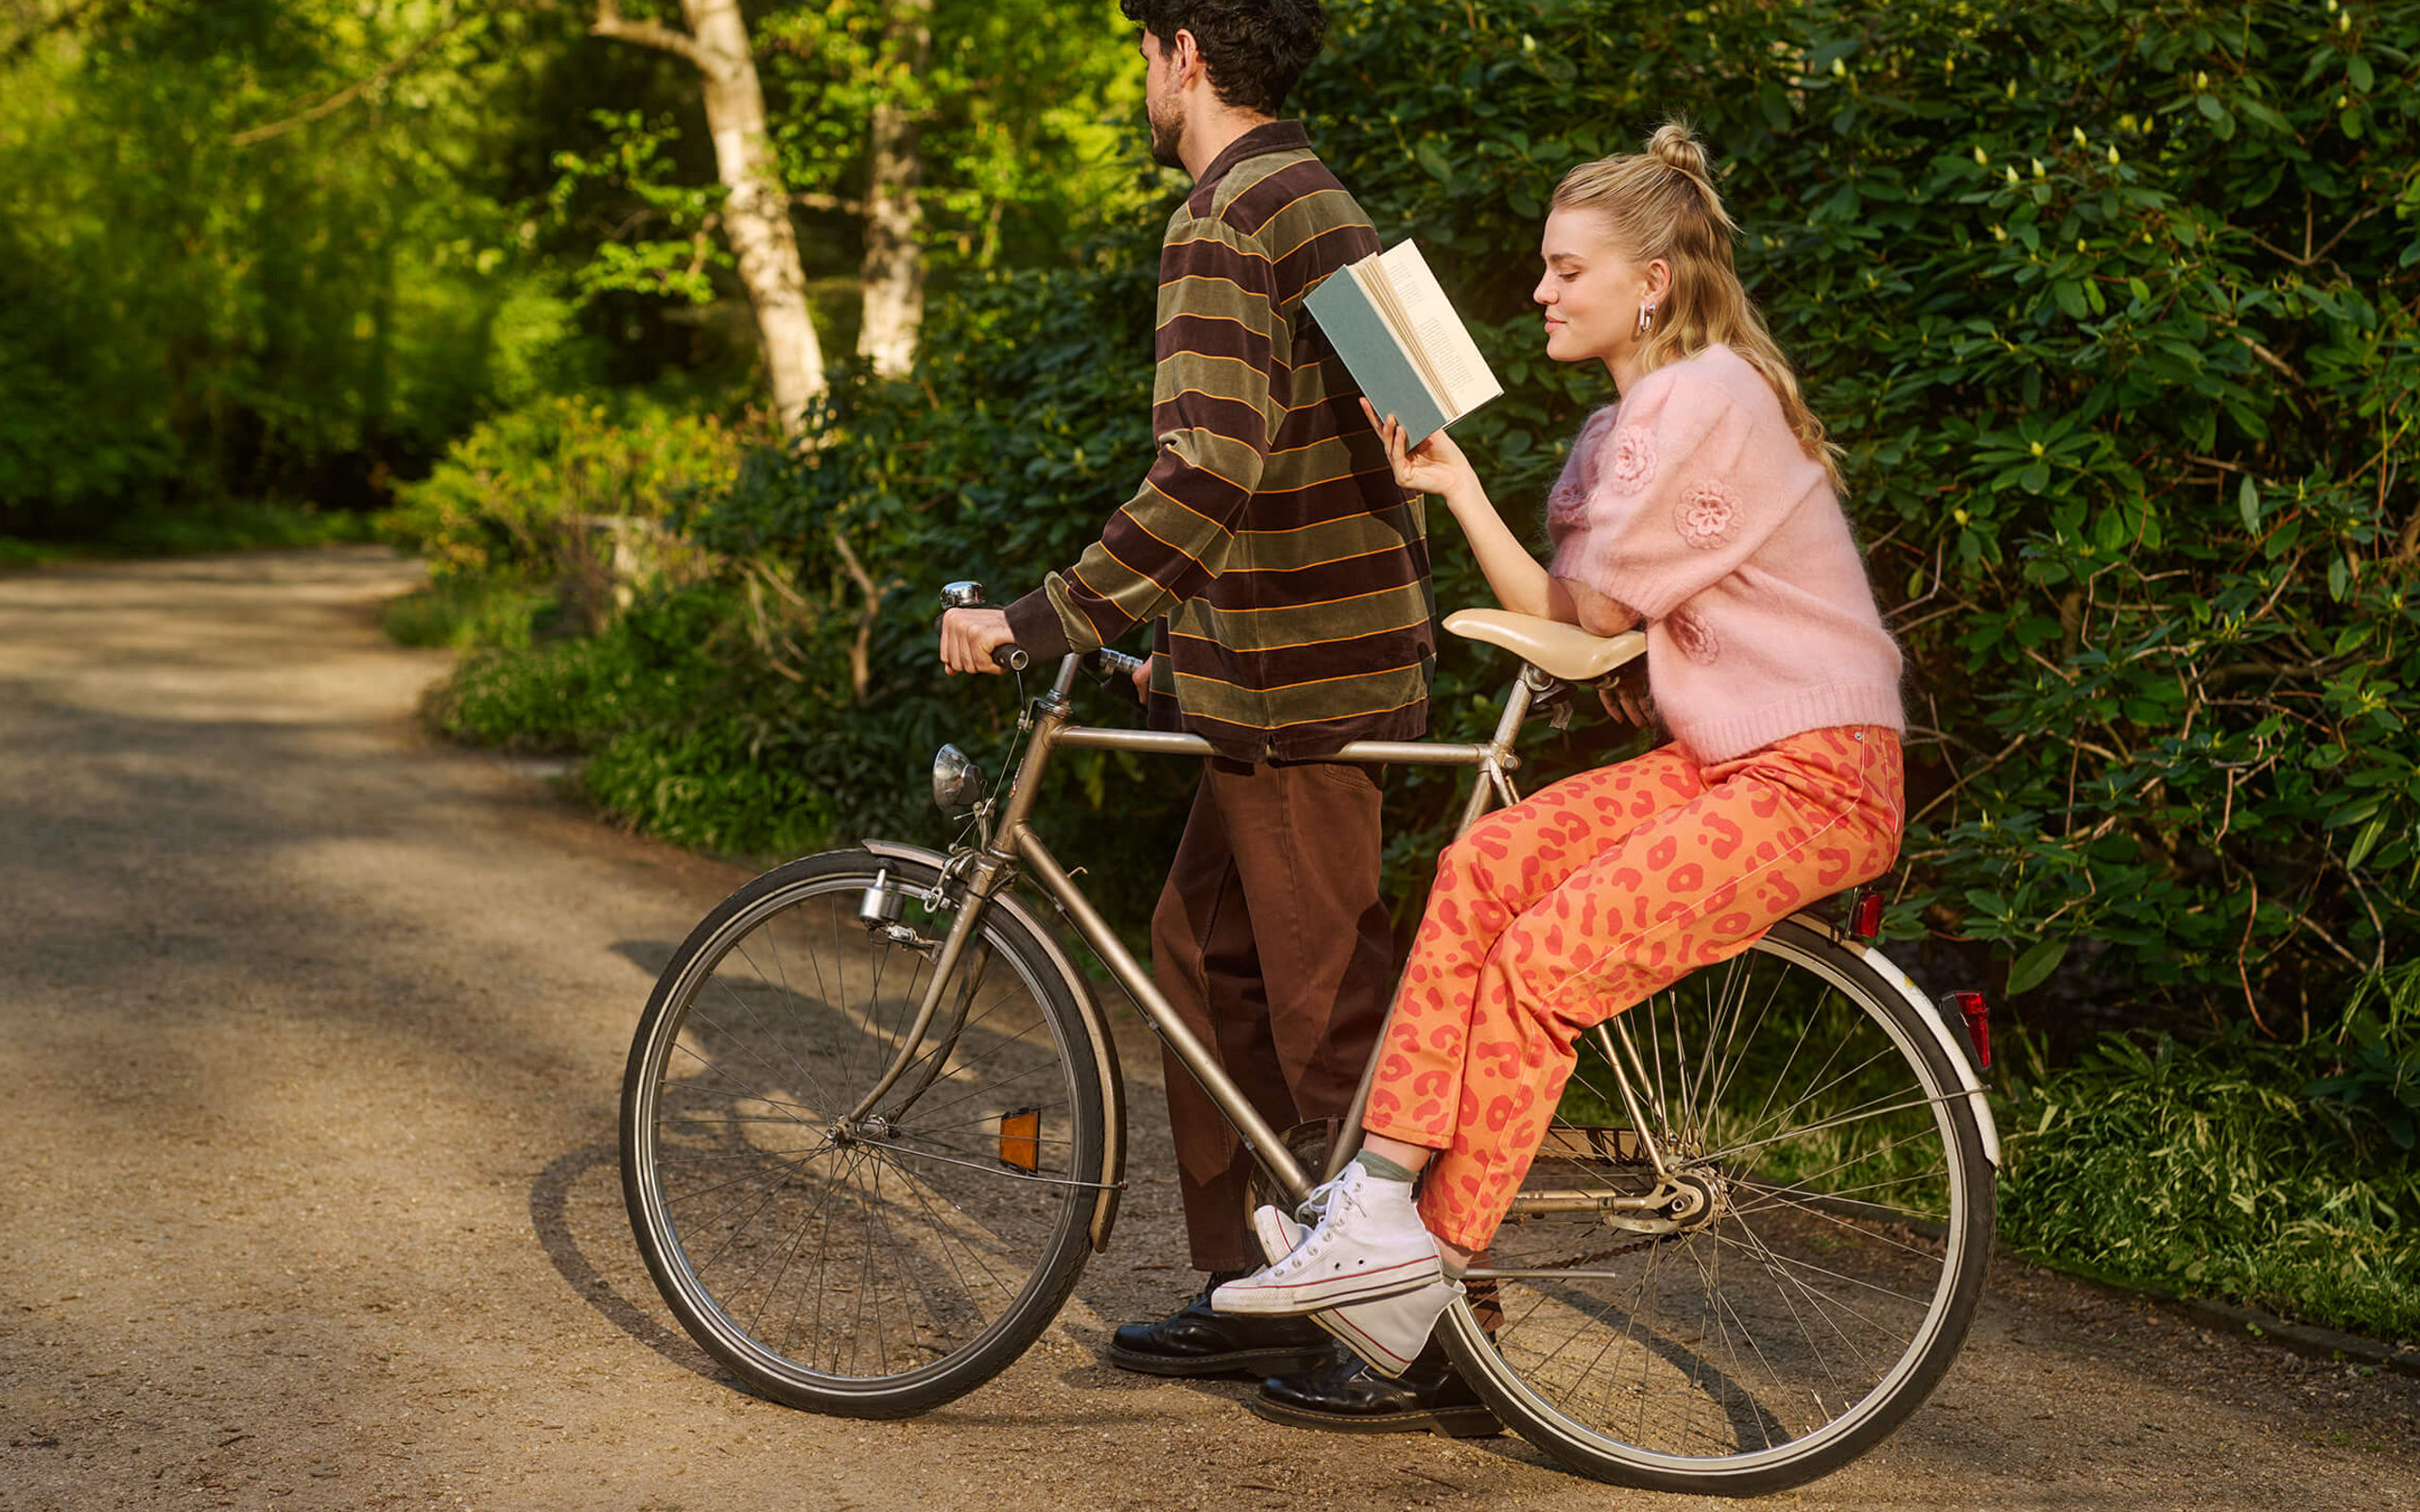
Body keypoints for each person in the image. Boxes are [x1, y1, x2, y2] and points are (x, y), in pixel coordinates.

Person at [1210, 120, 1910, 1380]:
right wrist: (1462, 486)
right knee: (1485, 865)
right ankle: (1375, 1198)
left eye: (1564, 269)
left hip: (1812, 775)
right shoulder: (1638, 420)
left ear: (1651, 283)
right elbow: (1573, 615)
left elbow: (1588, 621)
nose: (1538, 291)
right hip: (1729, 764)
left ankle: (1421, 1267)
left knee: (1542, 962)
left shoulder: (1698, 401)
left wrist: (1493, 536)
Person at [937, 0, 1443, 1408]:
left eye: (1141, 54)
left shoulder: (1222, 216)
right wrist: (1197, 635)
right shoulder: (1320, 193)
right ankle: (1256, 1288)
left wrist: (1044, 620)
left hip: (1302, 683)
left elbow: (1209, 471)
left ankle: (1424, 1331)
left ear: (1184, 53)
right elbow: (1412, 429)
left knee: (1326, 1004)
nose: (1142, 82)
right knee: (1203, 951)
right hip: (1316, 652)